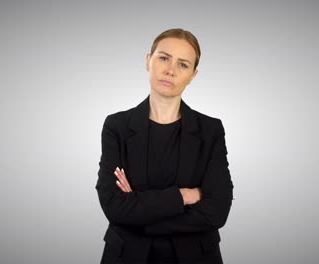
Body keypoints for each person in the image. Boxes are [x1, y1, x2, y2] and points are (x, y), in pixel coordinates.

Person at [96, 28, 234, 264]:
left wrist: (139, 211)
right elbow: (114, 205)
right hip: (128, 256)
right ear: (148, 61)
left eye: (183, 64)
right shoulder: (116, 126)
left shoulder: (211, 130)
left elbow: (217, 210)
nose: (170, 70)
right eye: (164, 58)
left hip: (195, 257)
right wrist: (184, 196)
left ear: (192, 75)